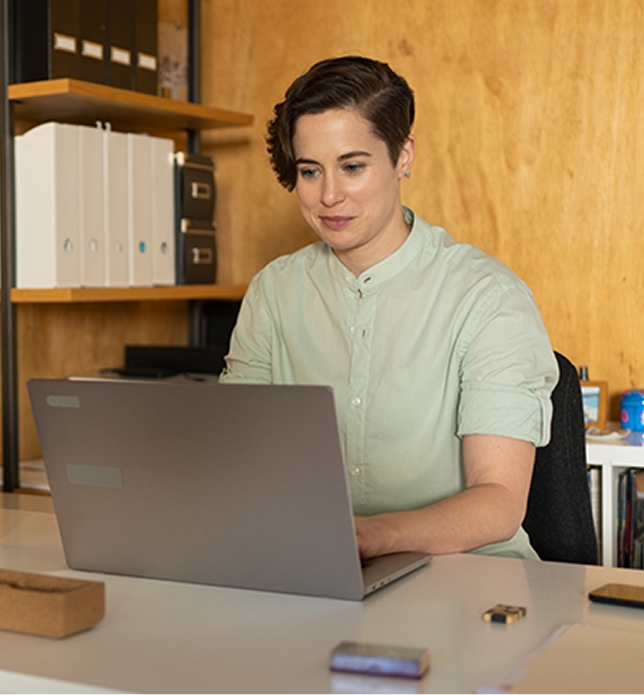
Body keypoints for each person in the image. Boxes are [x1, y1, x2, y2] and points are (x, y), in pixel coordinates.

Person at [219, 55, 559, 560]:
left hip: (468, 581)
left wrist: (371, 537)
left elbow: (500, 502)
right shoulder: (274, 292)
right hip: (316, 570)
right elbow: (236, 454)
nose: (329, 196)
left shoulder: (488, 298)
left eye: (352, 167)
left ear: (404, 155)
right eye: (310, 171)